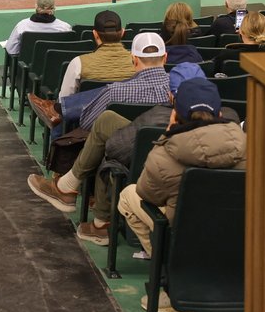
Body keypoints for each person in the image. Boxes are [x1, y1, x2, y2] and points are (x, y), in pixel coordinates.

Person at [27, 63, 210, 237]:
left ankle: (88, 210)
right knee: (108, 126)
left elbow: (116, 147)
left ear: (170, 95)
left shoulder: (154, 118)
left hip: (157, 195)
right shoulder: (230, 121)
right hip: (206, 206)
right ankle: (84, 206)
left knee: (110, 152)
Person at [117, 78, 247, 261]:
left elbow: (146, 193)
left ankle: (164, 266)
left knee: (128, 195)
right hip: (235, 236)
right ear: (219, 113)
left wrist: (166, 136)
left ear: (175, 115)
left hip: (184, 237)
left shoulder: (163, 156)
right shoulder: (250, 146)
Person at [63, 35, 171, 131]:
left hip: (122, 151)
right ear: (165, 58)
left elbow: (86, 123)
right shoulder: (182, 89)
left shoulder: (113, 92)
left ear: (134, 59)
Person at [52, 9, 133, 102]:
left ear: (95, 34)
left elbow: (64, 101)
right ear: (122, 32)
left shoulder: (78, 63)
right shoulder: (138, 63)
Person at [1, 0, 72, 57]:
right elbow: (67, 51)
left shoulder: (22, 26)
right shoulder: (65, 27)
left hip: (28, 68)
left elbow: (11, 50)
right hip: (56, 69)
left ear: (36, 6)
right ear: (54, 7)